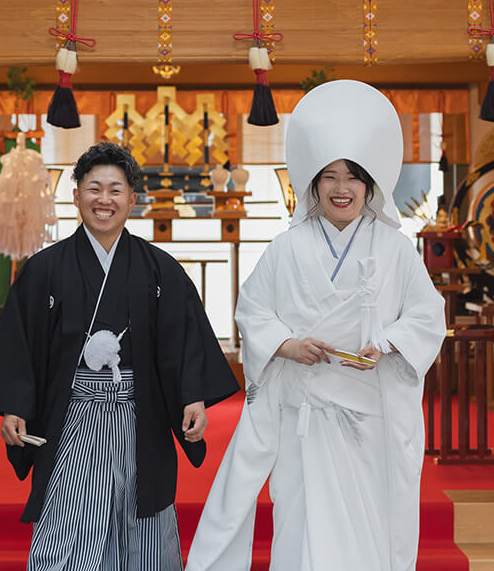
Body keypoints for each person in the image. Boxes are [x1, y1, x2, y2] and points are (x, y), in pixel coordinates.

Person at [185, 80, 447, 571]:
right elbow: (253, 310)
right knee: (303, 530)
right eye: (329, 176)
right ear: (312, 183)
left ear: (369, 184)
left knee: (367, 530)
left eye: (352, 176)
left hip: (370, 422)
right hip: (304, 420)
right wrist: (286, 345)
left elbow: (428, 315)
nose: (341, 188)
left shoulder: (393, 249)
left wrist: (387, 342)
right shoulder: (287, 248)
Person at [0, 141, 240, 570]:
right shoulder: (44, 269)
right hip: (73, 417)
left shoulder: (159, 269)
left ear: (133, 199)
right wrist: (15, 407)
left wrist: (193, 398)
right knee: (69, 519)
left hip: (140, 416)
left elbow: (184, 340)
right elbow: (21, 344)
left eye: (115, 190)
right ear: (75, 194)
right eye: (93, 188)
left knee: (144, 525)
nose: (104, 200)